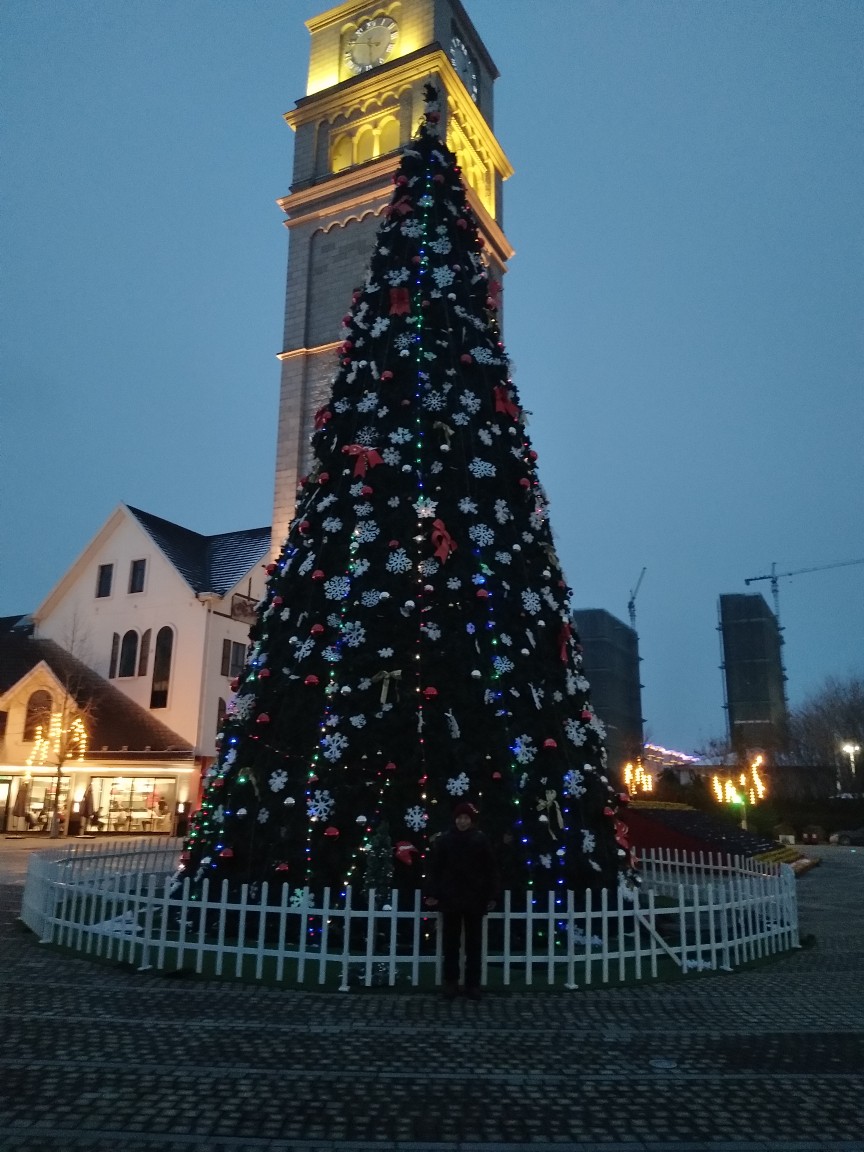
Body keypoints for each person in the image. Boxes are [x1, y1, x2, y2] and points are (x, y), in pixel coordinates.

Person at [425, 802, 498, 1000]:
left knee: (474, 945)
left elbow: (490, 868)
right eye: (459, 818)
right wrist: (433, 892)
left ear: (471, 820)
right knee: (451, 944)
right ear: (455, 819)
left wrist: (491, 895)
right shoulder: (445, 840)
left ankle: (472, 984)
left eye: (466, 818)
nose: (462, 821)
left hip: (474, 897)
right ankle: (451, 983)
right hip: (451, 897)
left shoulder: (480, 840)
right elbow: (436, 868)